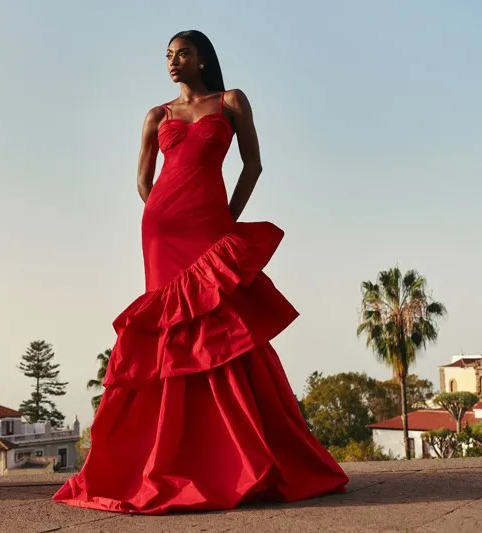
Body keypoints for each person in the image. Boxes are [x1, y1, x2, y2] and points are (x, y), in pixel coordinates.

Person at [53, 30, 348, 514]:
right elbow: (144, 180)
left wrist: (225, 217)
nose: (172, 62)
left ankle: (239, 456)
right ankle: (168, 457)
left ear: (203, 60)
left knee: (224, 324)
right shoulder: (156, 115)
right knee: (171, 333)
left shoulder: (231, 101)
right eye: (167, 56)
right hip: (162, 232)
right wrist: (164, 214)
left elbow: (252, 165)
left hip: (210, 222)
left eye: (182, 53)